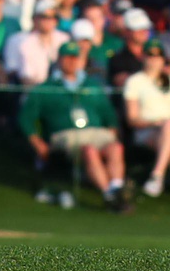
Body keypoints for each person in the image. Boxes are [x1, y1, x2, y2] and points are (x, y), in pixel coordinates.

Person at [23, 37, 125, 210]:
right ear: (59, 59)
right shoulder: (46, 88)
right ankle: (109, 195)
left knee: (115, 147)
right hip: (65, 135)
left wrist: (113, 131)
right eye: (67, 57)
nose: (71, 62)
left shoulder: (92, 85)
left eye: (74, 57)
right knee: (89, 151)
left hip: (95, 132)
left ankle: (116, 188)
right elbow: (26, 119)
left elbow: (109, 115)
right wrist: (38, 143)